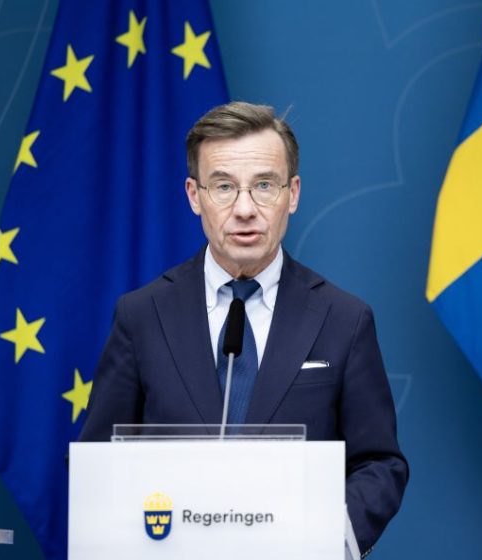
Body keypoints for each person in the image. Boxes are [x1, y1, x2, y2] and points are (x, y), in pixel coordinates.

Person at [79, 101, 408, 555]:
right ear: (194, 196)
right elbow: (98, 461)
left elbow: (379, 463)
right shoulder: (142, 315)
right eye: (223, 187)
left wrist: (325, 539)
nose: (245, 209)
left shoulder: (344, 320)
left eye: (264, 186)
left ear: (293, 193)